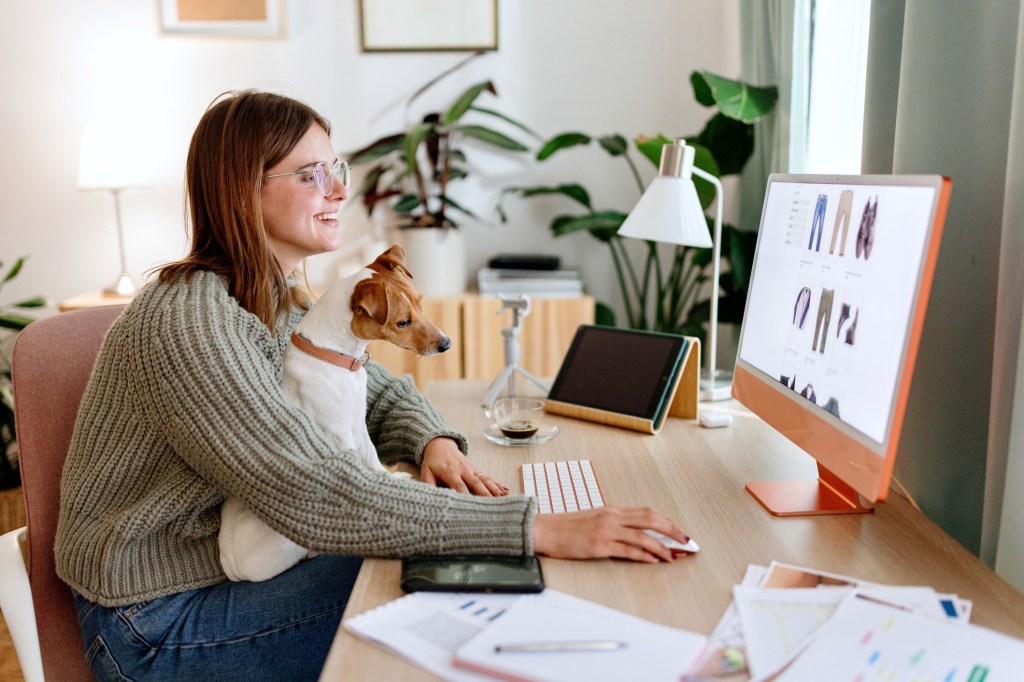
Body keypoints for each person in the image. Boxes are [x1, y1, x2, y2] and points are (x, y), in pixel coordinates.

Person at [55, 89, 690, 681]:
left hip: (234, 572)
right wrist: (535, 528)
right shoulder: (190, 320)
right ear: (240, 190)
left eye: (337, 169)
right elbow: (313, 490)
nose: (336, 191)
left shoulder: (277, 299)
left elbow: (373, 387)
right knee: (453, 579)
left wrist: (431, 441)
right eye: (310, 176)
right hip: (155, 620)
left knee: (455, 570)